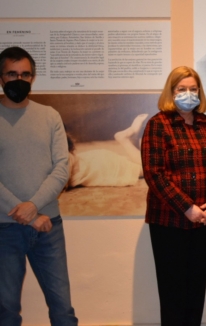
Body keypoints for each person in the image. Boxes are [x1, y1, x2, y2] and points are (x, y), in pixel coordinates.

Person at [141, 66, 206, 326]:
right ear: (171, 92)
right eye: (182, 89)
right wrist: (187, 207)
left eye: (193, 89)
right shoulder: (158, 124)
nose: (188, 94)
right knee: (173, 292)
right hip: (169, 222)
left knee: (196, 287)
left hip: (205, 220)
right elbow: (154, 174)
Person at [0, 47, 77, 325]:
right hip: (4, 228)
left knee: (63, 310)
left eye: (25, 74)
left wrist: (33, 207)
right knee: (6, 311)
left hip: (48, 225)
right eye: (12, 73)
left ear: (32, 78)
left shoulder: (49, 115)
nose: (18, 79)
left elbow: (61, 167)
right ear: (1, 77)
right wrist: (27, 214)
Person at [67, 113, 148, 188]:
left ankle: (124, 140)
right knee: (138, 164)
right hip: (96, 160)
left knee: (149, 169)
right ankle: (132, 139)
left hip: (102, 166)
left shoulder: (62, 160)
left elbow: (61, 182)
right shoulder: (62, 157)